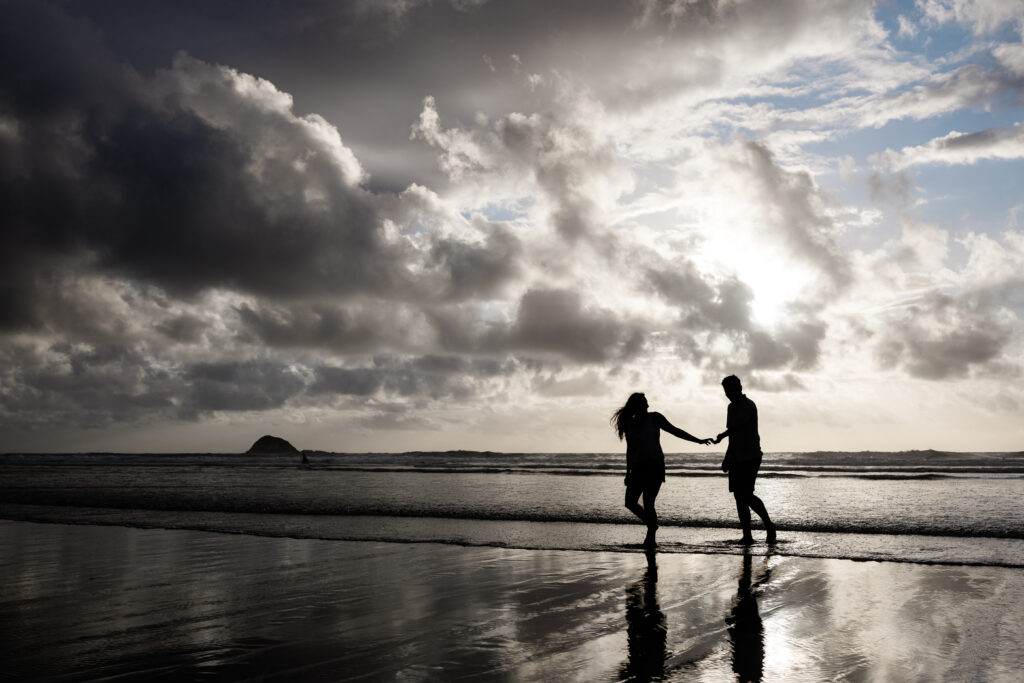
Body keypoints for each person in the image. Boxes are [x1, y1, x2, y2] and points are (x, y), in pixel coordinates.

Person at [611, 392, 713, 547]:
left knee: (648, 503)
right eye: (644, 403)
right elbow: (630, 450)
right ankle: (652, 525)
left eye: (647, 403)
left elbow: (675, 430)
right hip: (638, 467)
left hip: (655, 465)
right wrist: (628, 472)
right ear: (637, 406)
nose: (648, 405)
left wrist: (698, 441)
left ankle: (650, 537)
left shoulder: (655, 418)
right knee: (629, 502)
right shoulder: (630, 424)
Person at [714, 375, 776, 544]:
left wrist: (722, 435)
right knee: (739, 497)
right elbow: (732, 437)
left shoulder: (748, 405)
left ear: (739, 388)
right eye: (726, 391)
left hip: (751, 456)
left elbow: (737, 428)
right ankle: (747, 535)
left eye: (730, 390)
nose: (728, 394)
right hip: (736, 457)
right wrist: (727, 457)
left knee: (746, 495)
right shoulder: (730, 408)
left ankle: (769, 525)